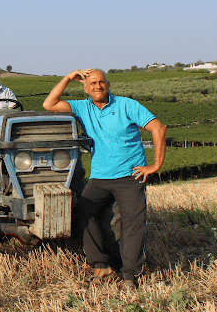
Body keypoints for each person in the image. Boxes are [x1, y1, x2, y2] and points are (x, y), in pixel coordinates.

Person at [42, 69, 166, 290]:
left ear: (108, 85)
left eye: (101, 82)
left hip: (130, 175)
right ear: (85, 88)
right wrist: (68, 77)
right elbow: (49, 104)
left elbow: (158, 128)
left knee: (132, 224)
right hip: (100, 177)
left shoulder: (127, 105)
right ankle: (101, 264)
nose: (98, 86)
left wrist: (155, 165)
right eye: (93, 83)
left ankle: (130, 274)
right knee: (82, 211)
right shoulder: (82, 107)